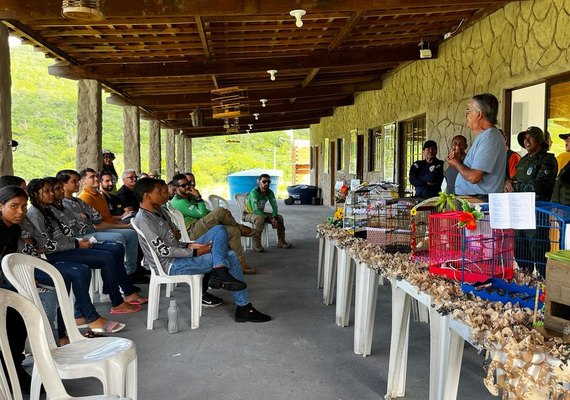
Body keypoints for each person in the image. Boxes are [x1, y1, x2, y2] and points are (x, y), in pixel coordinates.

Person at [133, 177, 271, 323]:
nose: (165, 192)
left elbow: (177, 233)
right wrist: (195, 252)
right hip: (170, 264)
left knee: (219, 229)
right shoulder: (144, 220)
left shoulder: (160, 211)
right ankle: (242, 306)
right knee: (230, 256)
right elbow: (163, 251)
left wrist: (188, 245)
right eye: (160, 191)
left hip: (181, 251)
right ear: (147, 196)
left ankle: (219, 272)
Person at [26, 178, 146, 315]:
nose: (52, 194)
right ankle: (114, 302)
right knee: (106, 257)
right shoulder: (35, 213)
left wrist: (78, 239)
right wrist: (77, 243)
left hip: (72, 244)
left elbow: (89, 220)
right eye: (48, 191)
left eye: (53, 190)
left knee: (115, 249)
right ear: (35, 194)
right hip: (58, 252)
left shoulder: (50, 209)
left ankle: (121, 292)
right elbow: (46, 244)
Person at [170, 173, 257, 274]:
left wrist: (222, 216)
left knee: (234, 231)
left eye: (189, 183)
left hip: (201, 226)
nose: (189, 186)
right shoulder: (179, 202)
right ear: (176, 188)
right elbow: (201, 213)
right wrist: (198, 197)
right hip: (192, 231)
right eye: (183, 185)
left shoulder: (189, 197)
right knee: (219, 211)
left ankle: (240, 264)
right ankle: (241, 227)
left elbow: (206, 212)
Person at [504, 127, 557, 277]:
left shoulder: (548, 160)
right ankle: (524, 277)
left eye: (530, 137)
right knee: (520, 246)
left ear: (539, 141)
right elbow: (516, 179)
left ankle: (543, 281)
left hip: (537, 211)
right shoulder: (524, 160)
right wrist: (509, 182)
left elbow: (537, 187)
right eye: (524, 138)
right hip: (520, 209)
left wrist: (514, 186)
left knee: (538, 247)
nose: (526, 141)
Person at [448, 93, 507, 196]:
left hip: (478, 201)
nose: (466, 115)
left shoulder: (490, 137)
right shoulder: (485, 136)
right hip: (474, 199)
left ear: (479, 114)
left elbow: (474, 177)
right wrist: (459, 160)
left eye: (468, 111)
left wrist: (456, 164)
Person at [244, 173, 292, 252]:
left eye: (268, 182)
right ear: (259, 182)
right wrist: (269, 218)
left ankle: (281, 241)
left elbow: (274, 206)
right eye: (264, 181)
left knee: (279, 217)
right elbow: (255, 210)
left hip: (260, 214)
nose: (266, 183)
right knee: (260, 218)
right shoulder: (254, 192)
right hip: (248, 214)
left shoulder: (270, 192)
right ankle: (256, 244)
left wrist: (273, 217)